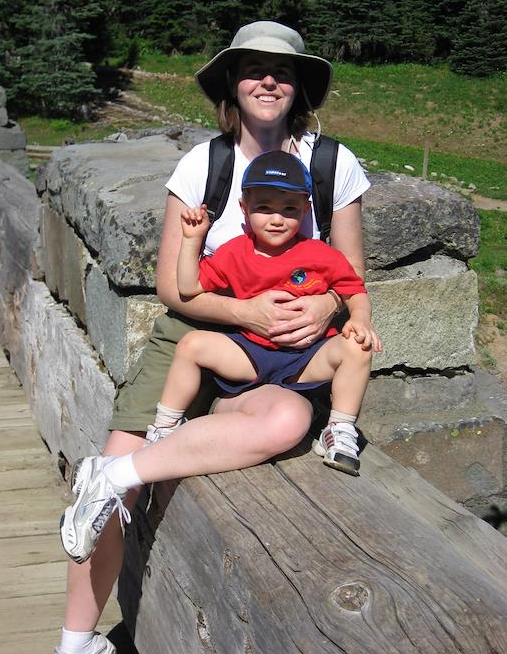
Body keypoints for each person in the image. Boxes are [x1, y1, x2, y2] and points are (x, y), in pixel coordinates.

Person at [55, 20, 371, 654]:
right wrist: (246, 313)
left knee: (284, 422)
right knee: (115, 494)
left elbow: (351, 274)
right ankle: (76, 642)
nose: (267, 81)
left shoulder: (332, 163)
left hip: (291, 349)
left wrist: (327, 305)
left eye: (282, 72)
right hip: (196, 337)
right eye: (253, 69)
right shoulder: (205, 163)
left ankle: (113, 474)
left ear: (299, 87)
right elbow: (173, 289)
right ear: (232, 82)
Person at [59, 151, 381, 563]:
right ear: (244, 210)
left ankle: (340, 428)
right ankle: (164, 427)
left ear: (306, 210)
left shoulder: (320, 254)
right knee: (192, 345)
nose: (277, 219)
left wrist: (360, 320)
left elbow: (354, 288)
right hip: (251, 351)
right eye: (264, 208)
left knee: (357, 347)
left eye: (289, 209)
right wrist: (192, 241)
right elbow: (188, 288)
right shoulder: (234, 252)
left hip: (305, 358)